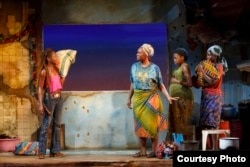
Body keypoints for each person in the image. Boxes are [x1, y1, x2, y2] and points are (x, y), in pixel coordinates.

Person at [127, 43, 179, 158]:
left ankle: (154, 150)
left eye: (139, 52)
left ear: (146, 54)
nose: (137, 54)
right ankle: (143, 151)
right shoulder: (134, 67)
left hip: (151, 99)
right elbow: (132, 83)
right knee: (140, 125)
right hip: (138, 99)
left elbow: (160, 85)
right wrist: (128, 99)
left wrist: (168, 96)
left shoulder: (154, 68)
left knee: (153, 126)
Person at [193, 45, 226, 150]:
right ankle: (208, 147)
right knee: (205, 123)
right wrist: (197, 76)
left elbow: (212, 81)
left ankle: (215, 148)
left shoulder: (219, 67)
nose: (207, 56)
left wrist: (202, 71)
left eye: (209, 54)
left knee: (213, 123)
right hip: (206, 95)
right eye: (207, 54)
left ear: (215, 56)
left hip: (215, 96)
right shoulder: (205, 65)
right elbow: (199, 83)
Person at [37, 48, 65, 159]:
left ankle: (55, 150)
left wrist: (63, 76)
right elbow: (40, 88)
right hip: (50, 98)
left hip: (59, 98)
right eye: (54, 56)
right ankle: (42, 152)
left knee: (57, 125)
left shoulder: (57, 70)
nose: (56, 58)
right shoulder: (45, 72)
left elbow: (61, 85)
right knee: (46, 125)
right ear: (48, 58)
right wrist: (40, 104)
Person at [167, 48, 194, 141]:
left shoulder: (184, 66)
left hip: (183, 99)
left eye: (176, 58)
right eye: (173, 58)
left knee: (184, 123)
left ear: (182, 57)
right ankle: (181, 146)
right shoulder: (178, 68)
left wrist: (177, 81)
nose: (174, 60)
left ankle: (188, 146)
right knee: (177, 124)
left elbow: (190, 84)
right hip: (176, 99)